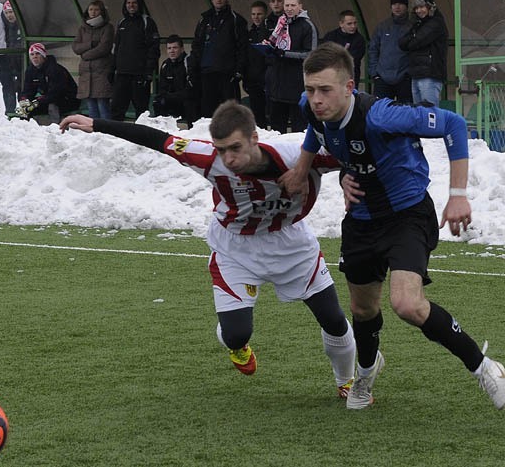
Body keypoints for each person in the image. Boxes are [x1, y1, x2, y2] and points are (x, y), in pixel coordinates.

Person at [59, 100, 356, 397]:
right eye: (221, 149)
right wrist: (96, 124)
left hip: (290, 242)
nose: (227, 158)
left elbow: (354, 159)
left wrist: (346, 180)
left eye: (235, 148)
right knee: (236, 334)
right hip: (235, 249)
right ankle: (237, 346)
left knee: (332, 317)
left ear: (255, 138)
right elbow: (156, 139)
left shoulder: (299, 155)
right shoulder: (206, 157)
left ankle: (346, 380)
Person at [278, 42, 505, 411]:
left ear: (349, 87)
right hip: (361, 220)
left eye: (325, 90)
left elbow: (452, 124)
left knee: (406, 303)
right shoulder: (311, 108)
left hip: (407, 214)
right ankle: (367, 374)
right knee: (363, 310)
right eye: (310, 89)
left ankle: (483, 366)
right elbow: (317, 130)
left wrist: (457, 194)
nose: (316, 99)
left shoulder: (383, 116)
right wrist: (303, 168)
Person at [189, 0, 248, 118]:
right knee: (208, 110)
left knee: (230, 111)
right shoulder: (204, 19)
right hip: (207, 71)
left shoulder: (235, 20)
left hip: (227, 72)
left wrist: (239, 70)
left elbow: (242, 47)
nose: (219, 0)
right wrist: (193, 68)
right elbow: (197, 45)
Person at [265, 0, 317, 133]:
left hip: (296, 84)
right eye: (286, 5)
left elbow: (310, 54)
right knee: (276, 128)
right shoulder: (281, 23)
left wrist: (284, 54)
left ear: (300, 6)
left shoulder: (307, 26)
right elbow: (274, 44)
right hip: (278, 83)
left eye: (293, 5)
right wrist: (268, 47)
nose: (289, 8)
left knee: (298, 128)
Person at [109, 0, 159, 121]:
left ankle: (141, 137)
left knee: (141, 111)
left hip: (139, 74)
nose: (131, 5)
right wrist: (112, 69)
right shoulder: (122, 23)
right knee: (116, 108)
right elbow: (116, 48)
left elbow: (154, 49)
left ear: (139, 4)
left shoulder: (147, 22)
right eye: (128, 3)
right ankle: (115, 136)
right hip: (122, 74)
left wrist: (148, 72)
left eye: (134, 3)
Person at [399, 0, 448, 106]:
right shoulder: (418, 24)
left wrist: (413, 37)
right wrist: (413, 36)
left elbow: (414, 43)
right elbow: (401, 43)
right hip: (417, 74)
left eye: (421, 7)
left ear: (430, 6)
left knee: (430, 114)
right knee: (420, 114)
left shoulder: (436, 23)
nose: (418, 11)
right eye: (416, 8)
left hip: (430, 75)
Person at [72, 0, 114, 119]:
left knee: (102, 105)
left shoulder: (107, 28)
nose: (93, 12)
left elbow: (104, 48)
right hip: (86, 73)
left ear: (101, 11)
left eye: (96, 9)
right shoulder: (82, 28)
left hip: (101, 71)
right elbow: (75, 47)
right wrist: (90, 44)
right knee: (91, 107)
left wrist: (85, 55)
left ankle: (106, 131)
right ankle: (93, 134)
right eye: (91, 9)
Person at [18, 43, 79, 125]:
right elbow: (27, 90)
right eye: (32, 54)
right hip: (46, 99)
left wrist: (38, 101)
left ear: (43, 56)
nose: (34, 57)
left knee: (52, 105)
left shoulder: (55, 69)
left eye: (37, 54)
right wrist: (24, 99)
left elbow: (56, 93)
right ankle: (23, 128)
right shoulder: (30, 71)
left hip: (67, 99)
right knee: (24, 107)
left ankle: (56, 128)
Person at [368, 0, 412, 103]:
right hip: (382, 78)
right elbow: (373, 50)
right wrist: (375, 74)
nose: (397, 7)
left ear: (406, 6)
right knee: (381, 113)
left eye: (401, 4)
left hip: (405, 78)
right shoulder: (382, 27)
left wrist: (409, 74)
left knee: (405, 113)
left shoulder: (412, 26)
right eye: (394, 4)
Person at [153, 35, 196, 124]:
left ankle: (191, 132)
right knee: (158, 101)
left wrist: (172, 96)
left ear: (182, 49)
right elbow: (162, 88)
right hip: (172, 100)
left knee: (190, 103)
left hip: (186, 100)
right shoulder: (165, 64)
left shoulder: (188, 62)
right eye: (169, 48)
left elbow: (191, 90)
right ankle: (161, 131)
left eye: (175, 48)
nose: (172, 51)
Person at [321, 10, 365, 89]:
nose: (353, 26)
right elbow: (324, 56)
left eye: (355, 23)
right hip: (331, 76)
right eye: (349, 24)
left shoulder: (359, 39)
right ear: (341, 24)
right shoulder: (331, 36)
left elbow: (354, 60)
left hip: (350, 76)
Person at [245, 0, 270, 128]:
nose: (256, 17)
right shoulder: (249, 34)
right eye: (253, 14)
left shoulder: (270, 32)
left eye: (259, 14)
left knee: (271, 114)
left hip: (266, 80)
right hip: (253, 80)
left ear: (265, 14)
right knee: (257, 116)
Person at [2, 1, 22, 97]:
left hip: (22, 64)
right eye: (6, 13)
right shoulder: (8, 27)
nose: (9, 15)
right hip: (13, 63)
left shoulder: (23, 26)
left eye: (11, 12)